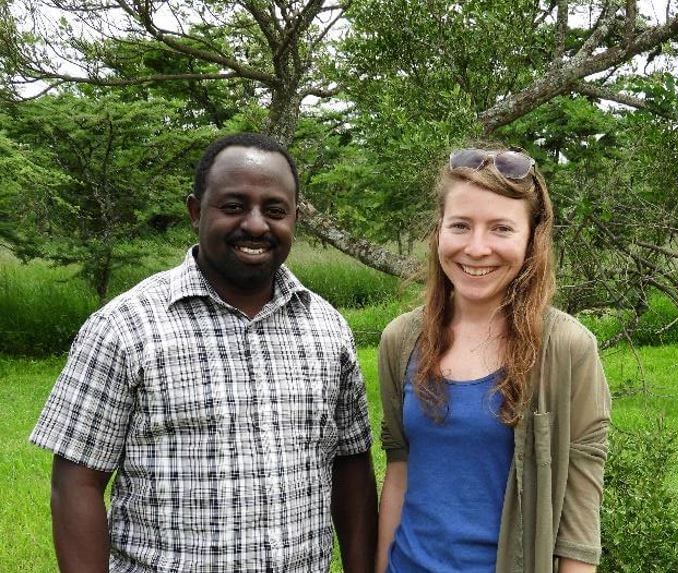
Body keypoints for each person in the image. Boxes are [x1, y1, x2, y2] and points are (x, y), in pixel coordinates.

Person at [30, 132, 377, 573]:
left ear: (294, 219)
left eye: (275, 211)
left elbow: (351, 467)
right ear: (196, 211)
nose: (255, 225)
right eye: (233, 207)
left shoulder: (328, 329)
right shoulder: (123, 328)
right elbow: (75, 482)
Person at [375, 146, 611, 573]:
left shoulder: (568, 349)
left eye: (501, 228)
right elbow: (399, 469)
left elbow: (579, 521)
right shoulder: (401, 341)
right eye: (460, 226)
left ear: (532, 238)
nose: (477, 248)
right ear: (439, 232)